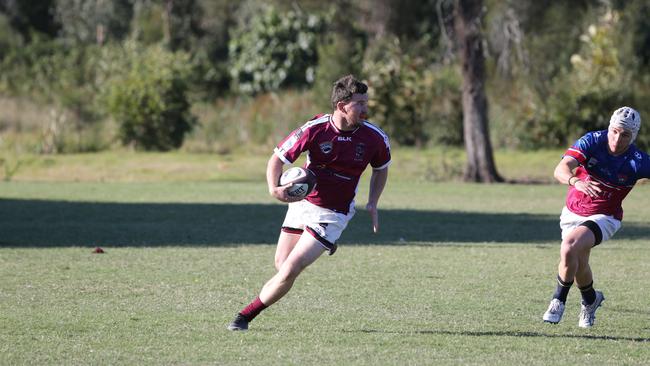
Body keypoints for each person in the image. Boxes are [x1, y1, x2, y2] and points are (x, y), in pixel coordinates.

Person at [227, 75, 391, 331]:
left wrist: (373, 202)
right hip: (302, 204)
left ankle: (244, 317)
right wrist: (274, 189)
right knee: (281, 266)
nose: (365, 109)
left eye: (365, 102)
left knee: (290, 269)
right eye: (359, 103)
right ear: (341, 105)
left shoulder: (374, 137)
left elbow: (381, 168)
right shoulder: (315, 129)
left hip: (333, 214)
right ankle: (322, 243)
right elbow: (277, 159)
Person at [542, 106, 650, 328]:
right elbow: (561, 168)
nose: (617, 138)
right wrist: (575, 181)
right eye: (615, 131)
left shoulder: (637, 161)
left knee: (569, 246)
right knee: (579, 262)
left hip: (605, 217)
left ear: (633, 136)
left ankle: (558, 300)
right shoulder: (592, 141)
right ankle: (590, 300)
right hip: (573, 211)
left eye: (625, 134)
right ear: (609, 127)